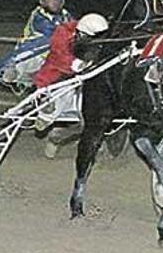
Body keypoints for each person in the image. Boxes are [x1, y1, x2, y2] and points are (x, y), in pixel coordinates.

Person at [32, 13, 109, 158]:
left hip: (83, 82)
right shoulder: (63, 32)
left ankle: (63, 136)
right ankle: (47, 113)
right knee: (63, 93)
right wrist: (78, 64)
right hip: (57, 79)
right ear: (81, 34)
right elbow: (60, 54)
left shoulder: (98, 37)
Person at [4, 0, 75, 85]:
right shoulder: (39, 16)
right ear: (43, 2)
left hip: (51, 52)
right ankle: (15, 69)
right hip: (33, 51)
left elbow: (74, 27)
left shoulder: (65, 14)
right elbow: (55, 32)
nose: (54, 2)